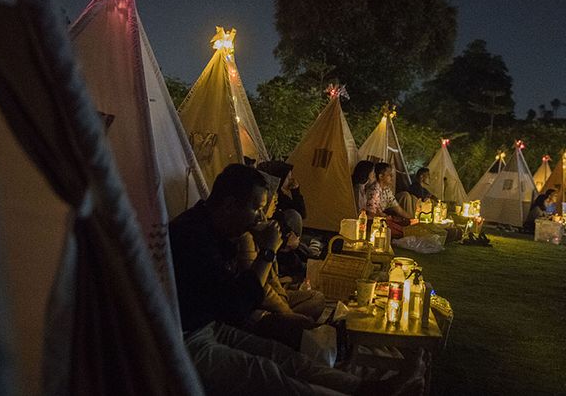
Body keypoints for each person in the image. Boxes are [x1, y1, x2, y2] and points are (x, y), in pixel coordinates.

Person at [170, 163, 424, 395]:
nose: (260, 218)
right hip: (181, 336)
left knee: (284, 358)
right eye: (256, 209)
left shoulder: (220, 230)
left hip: (209, 324)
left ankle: (366, 388)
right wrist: (267, 252)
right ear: (228, 205)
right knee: (265, 373)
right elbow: (237, 306)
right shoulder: (192, 237)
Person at [366, 163, 414, 238]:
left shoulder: (386, 190)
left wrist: (413, 219)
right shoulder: (374, 191)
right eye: (389, 175)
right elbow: (371, 213)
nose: (392, 177)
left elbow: (399, 210)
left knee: (406, 221)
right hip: (372, 221)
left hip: (382, 218)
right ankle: (405, 233)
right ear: (381, 176)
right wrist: (385, 217)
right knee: (390, 226)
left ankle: (406, 231)